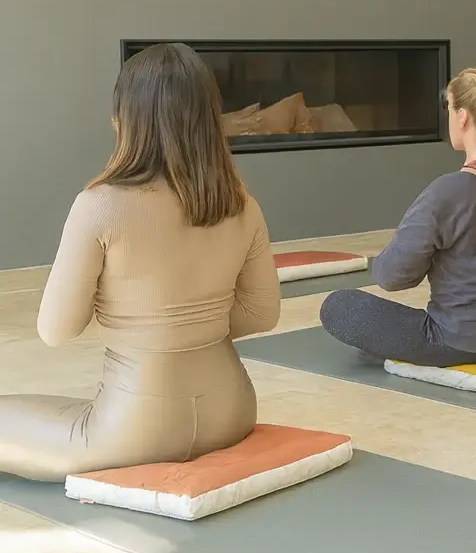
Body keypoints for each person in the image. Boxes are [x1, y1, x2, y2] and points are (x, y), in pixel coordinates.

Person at [0, 43, 279, 482]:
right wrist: (192, 328)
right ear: (211, 119)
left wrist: (144, 328)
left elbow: (56, 330)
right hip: (233, 413)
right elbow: (263, 314)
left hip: (133, 432)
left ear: (123, 119)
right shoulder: (242, 204)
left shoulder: (99, 205)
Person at [320, 61, 476, 366]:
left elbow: (391, 276)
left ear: (463, 117)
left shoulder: (446, 192)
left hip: (457, 341)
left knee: (338, 305)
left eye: (449, 107)